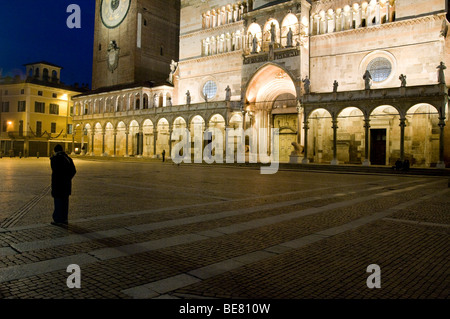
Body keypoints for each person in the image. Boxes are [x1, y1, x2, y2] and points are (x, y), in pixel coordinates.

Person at [50, 144, 76, 227]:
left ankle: (58, 219)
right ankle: (64, 219)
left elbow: (54, 168)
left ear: (55, 151)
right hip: (66, 184)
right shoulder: (68, 158)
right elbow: (73, 170)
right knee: (65, 202)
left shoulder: (56, 158)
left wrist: (53, 157)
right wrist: (68, 178)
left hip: (58, 184)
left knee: (58, 202)